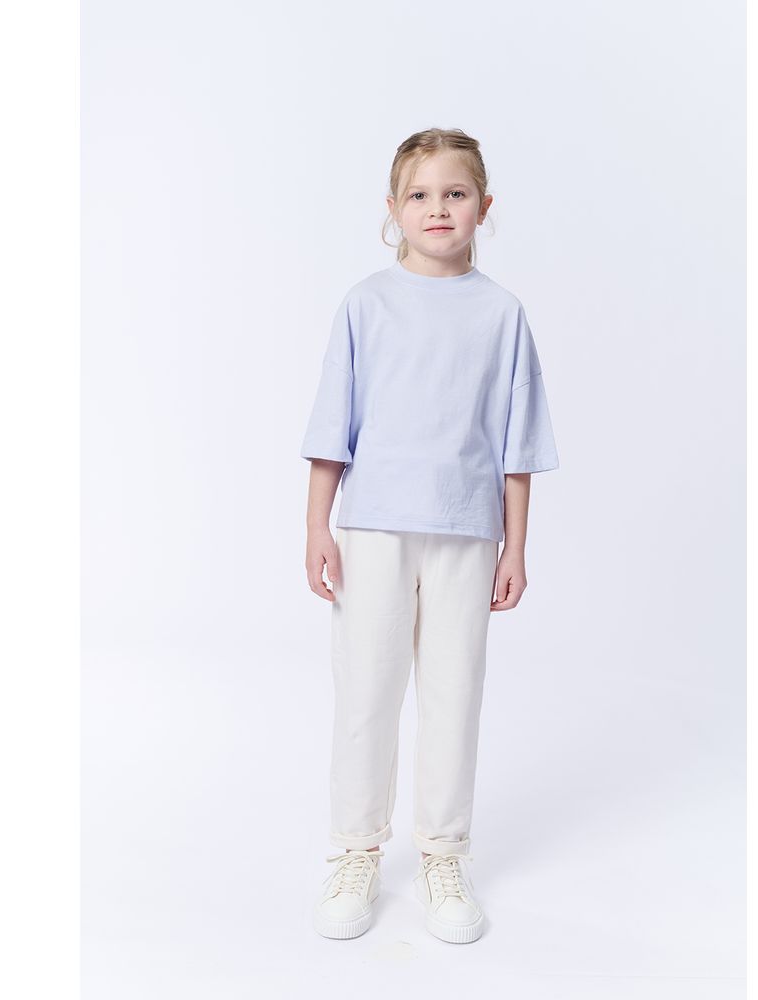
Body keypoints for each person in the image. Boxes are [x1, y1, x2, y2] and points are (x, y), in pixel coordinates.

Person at [301, 127, 559, 944]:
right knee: (366, 694)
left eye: (455, 193)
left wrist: (516, 546)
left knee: (453, 695)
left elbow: (517, 446)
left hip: (465, 533)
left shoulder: (502, 314)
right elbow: (333, 429)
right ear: (393, 208)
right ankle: (356, 850)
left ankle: (444, 854)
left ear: (484, 205)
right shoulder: (366, 305)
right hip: (374, 529)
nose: (437, 208)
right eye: (419, 195)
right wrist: (317, 526)